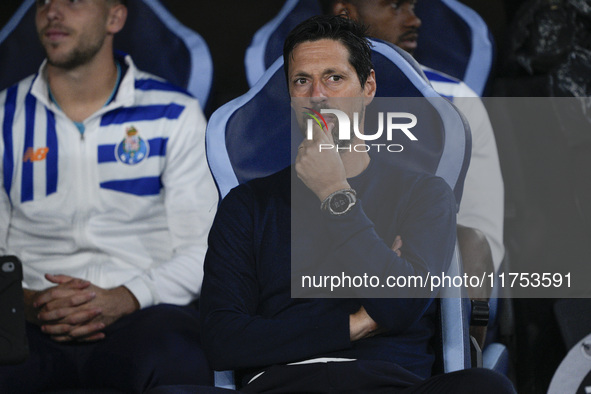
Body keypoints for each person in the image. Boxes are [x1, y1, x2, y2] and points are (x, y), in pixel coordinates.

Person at [199, 15, 515, 393]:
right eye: (302, 81)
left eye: (334, 77)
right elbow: (223, 340)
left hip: (390, 382)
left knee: (485, 387)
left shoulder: (425, 194)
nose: (318, 94)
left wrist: (334, 192)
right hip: (284, 384)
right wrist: (355, 325)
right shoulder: (247, 205)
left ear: (367, 88)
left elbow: (399, 306)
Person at [0, 0, 218, 392]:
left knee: (179, 360)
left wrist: (127, 296)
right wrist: (30, 303)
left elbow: (203, 250)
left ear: (115, 17)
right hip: (27, 320)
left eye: (72, 1)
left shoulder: (174, 113)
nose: (52, 11)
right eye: (44, 2)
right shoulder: (2, 118)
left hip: (143, 315)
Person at [320, 0, 505, 344]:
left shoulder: (454, 100)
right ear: (346, 14)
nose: (414, 19)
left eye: (413, 6)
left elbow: (481, 233)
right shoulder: (289, 98)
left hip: (422, 287)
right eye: (395, 6)